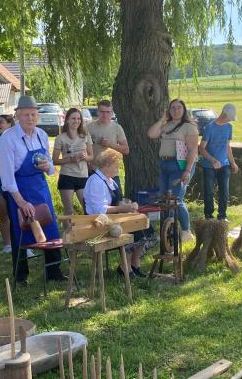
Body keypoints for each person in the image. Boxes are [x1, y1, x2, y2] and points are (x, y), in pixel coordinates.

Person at [0, 95, 65, 284]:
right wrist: (21, 202)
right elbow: (7, 177)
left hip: (40, 188)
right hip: (19, 189)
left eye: (34, 114)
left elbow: (51, 168)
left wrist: (47, 167)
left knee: (51, 228)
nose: (30, 118)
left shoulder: (42, 135)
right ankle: (21, 276)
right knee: (20, 232)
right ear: (18, 115)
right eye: (26, 114)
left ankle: (54, 272)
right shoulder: (8, 138)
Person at [84, 149, 152, 278]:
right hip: (98, 223)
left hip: (113, 219)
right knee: (135, 231)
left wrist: (129, 205)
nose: (118, 169)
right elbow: (99, 210)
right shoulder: (95, 181)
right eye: (116, 166)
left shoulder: (110, 181)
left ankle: (135, 264)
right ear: (107, 165)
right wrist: (122, 209)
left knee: (146, 227)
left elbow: (118, 201)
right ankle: (124, 267)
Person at [147, 98, 199, 242]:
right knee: (164, 198)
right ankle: (168, 230)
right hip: (164, 164)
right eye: (172, 108)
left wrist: (187, 171)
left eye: (178, 108)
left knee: (175, 199)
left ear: (184, 110)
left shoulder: (189, 127)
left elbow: (193, 150)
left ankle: (186, 231)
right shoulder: (167, 125)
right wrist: (163, 119)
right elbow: (151, 134)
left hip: (180, 165)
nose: (176, 110)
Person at [198, 103, 240, 221]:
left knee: (224, 192)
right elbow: (201, 148)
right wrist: (212, 160)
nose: (230, 120)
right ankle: (208, 215)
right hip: (209, 166)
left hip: (224, 165)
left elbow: (227, 146)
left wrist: (233, 163)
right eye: (229, 117)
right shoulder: (209, 128)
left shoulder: (229, 128)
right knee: (208, 192)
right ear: (224, 113)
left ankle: (222, 215)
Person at [53, 107, 93, 216]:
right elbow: (54, 160)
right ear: (67, 120)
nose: (76, 121)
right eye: (73, 118)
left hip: (83, 176)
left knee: (88, 209)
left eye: (79, 118)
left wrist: (85, 157)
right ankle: (68, 233)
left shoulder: (85, 135)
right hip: (67, 176)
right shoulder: (60, 138)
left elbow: (92, 156)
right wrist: (71, 159)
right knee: (69, 211)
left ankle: (86, 232)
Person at [86, 99, 129, 187]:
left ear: (112, 113)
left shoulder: (117, 128)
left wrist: (110, 145)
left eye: (108, 112)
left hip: (112, 173)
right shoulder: (88, 127)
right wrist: (87, 163)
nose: (105, 115)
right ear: (98, 112)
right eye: (102, 112)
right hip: (93, 171)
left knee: (117, 199)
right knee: (94, 199)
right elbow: (81, 148)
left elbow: (126, 150)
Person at [0, 114, 14, 253]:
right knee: (3, 213)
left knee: (16, 213)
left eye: (2, 122)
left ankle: (23, 243)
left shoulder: (14, 139)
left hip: (13, 179)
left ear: (10, 124)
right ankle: (7, 244)